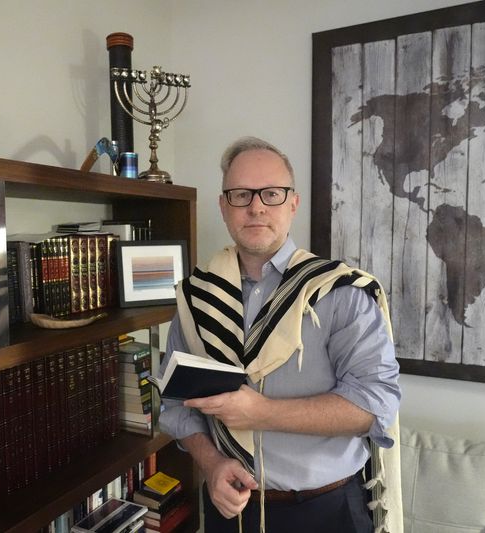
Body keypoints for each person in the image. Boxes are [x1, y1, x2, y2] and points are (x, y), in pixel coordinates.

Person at [158, 136, 401, 533]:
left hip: (327, 511)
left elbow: (375, 406)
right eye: (240, 195)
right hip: (230, 509)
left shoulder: (340, 294)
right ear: (223, 206)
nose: (256, 207)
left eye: (271, 193)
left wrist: (262, 413)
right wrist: (213, 463)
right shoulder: (197, 298)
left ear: (292, 203)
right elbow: (175, 402)